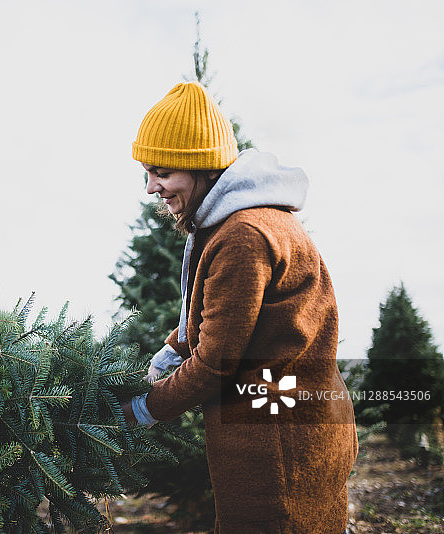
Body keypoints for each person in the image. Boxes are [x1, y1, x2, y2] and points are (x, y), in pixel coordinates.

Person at [121, 82, 358, 533]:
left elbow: (216, 363)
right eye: (146, 174)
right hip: (301, 420)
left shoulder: (243, 235)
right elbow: (217, 316)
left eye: (161, 172)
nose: (152, 187)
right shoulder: (241, 221)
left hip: (278, 439)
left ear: (198, 166)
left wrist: (139, 409)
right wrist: (168, 356)